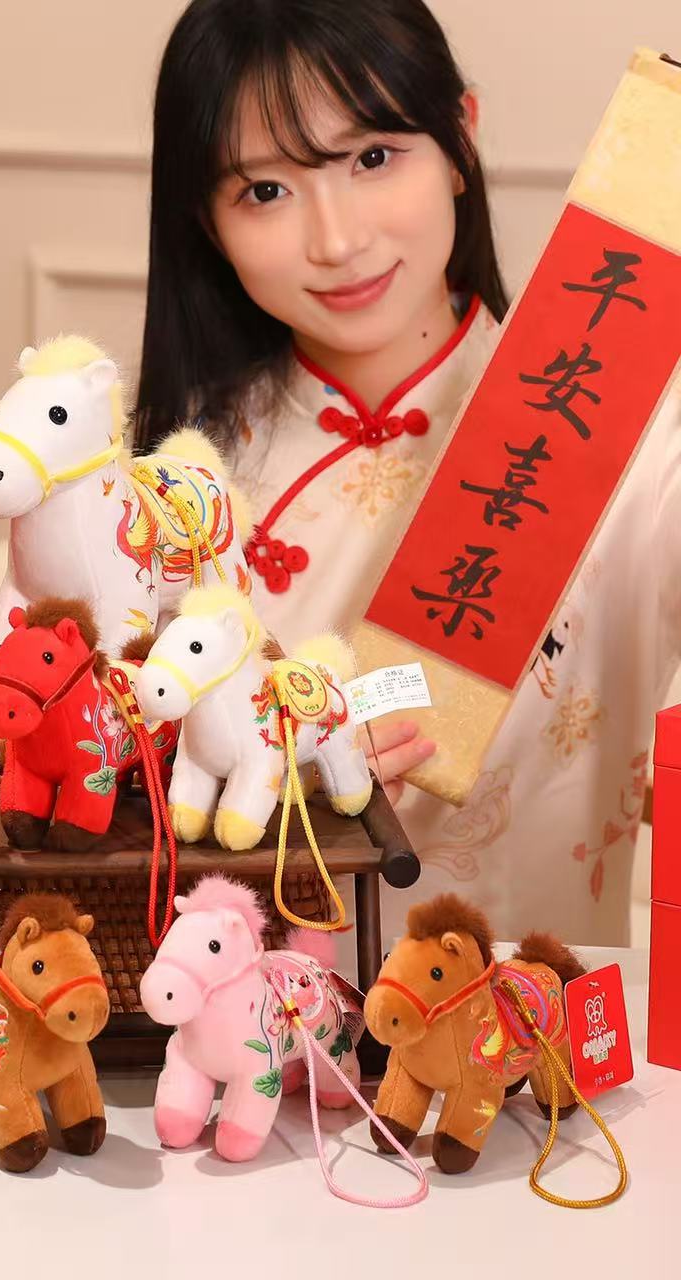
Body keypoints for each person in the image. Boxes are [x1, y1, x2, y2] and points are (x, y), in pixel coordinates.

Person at [133, 0, 681, 944]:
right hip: (228, 1010)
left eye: (374, 157)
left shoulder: (638, 437)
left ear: (460, 139)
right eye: (265, 190)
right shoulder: (168, 485)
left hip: (535, 1017)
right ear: (206, 221)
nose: (337, 240)